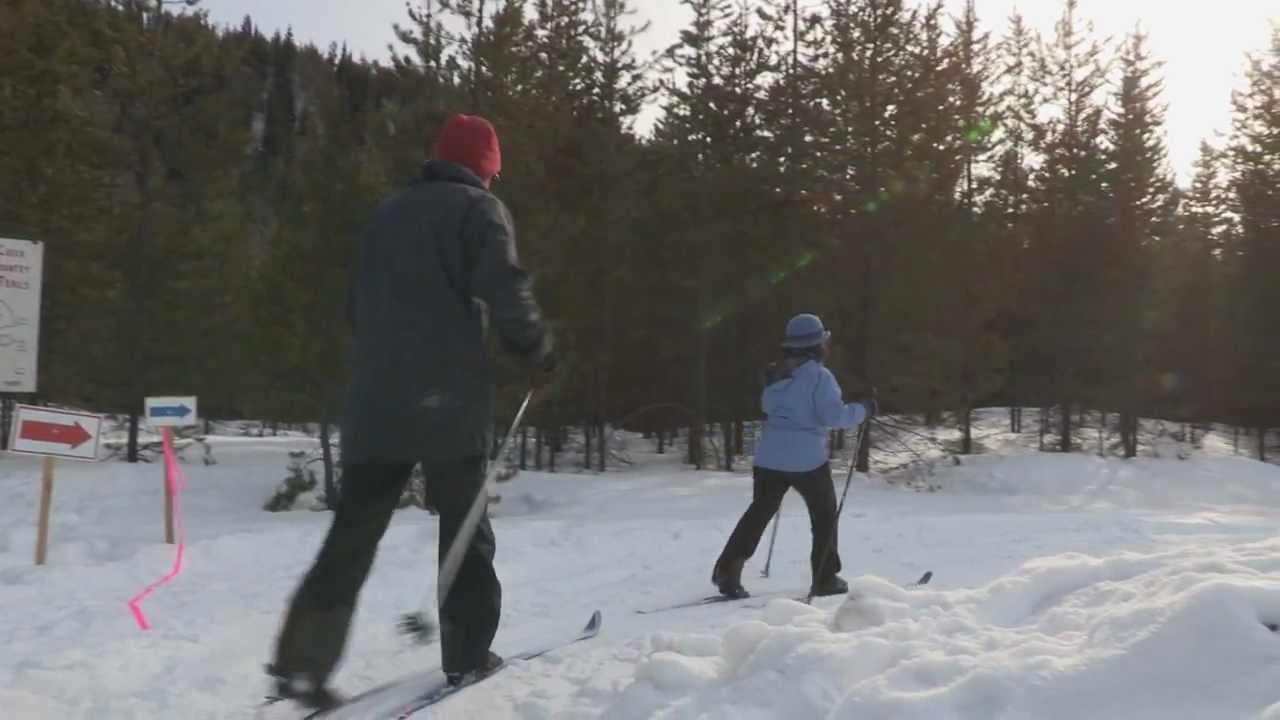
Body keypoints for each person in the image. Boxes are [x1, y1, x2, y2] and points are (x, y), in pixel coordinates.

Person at [266, 114, 554, 711]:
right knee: (465, 521)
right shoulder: (479, 211)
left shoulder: (387, 213)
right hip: (447, 400)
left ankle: (300, 664)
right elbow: (505, 288)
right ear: (485, 166)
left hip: (375, 401)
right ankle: (469, 654)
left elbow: (356, 305)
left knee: (352, 534)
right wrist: (536, 351)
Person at [710, 313, 875, 600]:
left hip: (769, 458)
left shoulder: (776, 374)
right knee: (823, 515)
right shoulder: (820, 377)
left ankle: (728, 569)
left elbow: (768, 406)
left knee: (759, 512)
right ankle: (825, 578)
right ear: (817, 345)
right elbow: (834, 416)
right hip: (807, 461)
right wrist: (864, 409)